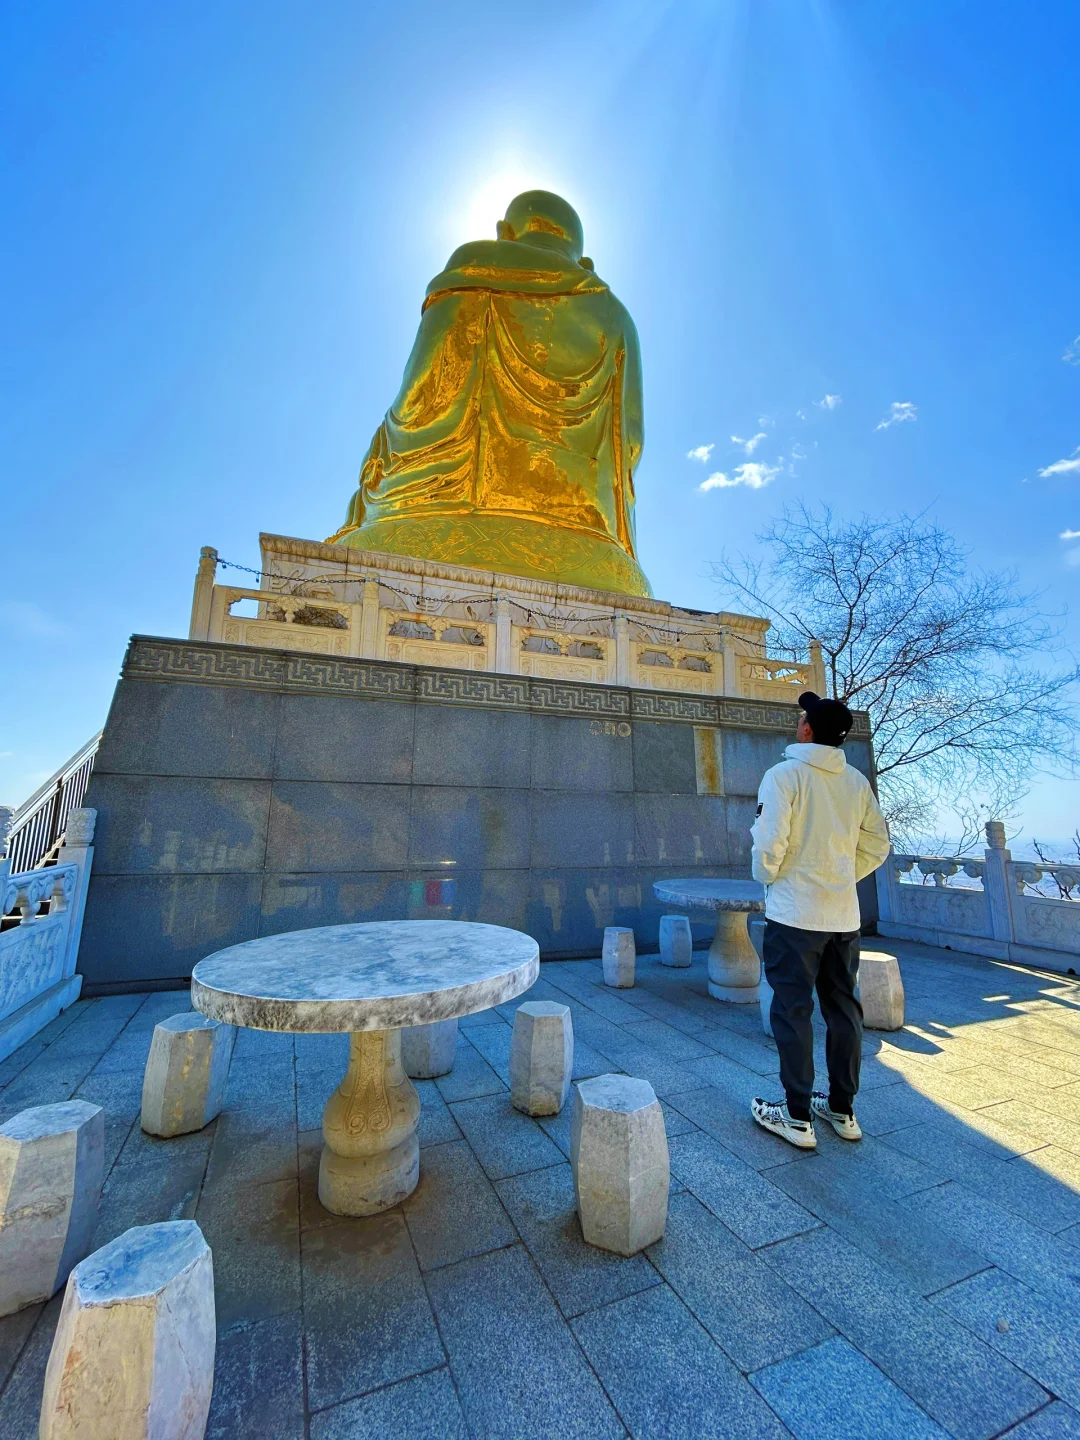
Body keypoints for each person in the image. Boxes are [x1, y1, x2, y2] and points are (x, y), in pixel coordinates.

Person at [749, 690, 891, 1149]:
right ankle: (842, 1109)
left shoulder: (783, 775)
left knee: (793, 1011)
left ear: (807, 729)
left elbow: (769, 841)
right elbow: (878, 844)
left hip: (795, 914)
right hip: (842, 916)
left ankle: (795, 1116)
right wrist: (841, 875)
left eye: (802, 718)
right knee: (843, 1009)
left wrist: (769, 879)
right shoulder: (854, 782)